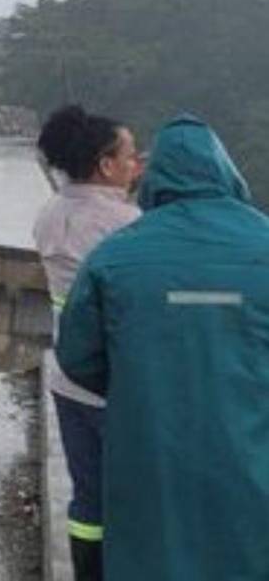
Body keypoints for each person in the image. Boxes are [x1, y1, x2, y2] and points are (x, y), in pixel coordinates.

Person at [57, 115, 269, 581]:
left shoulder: (116, 255)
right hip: (250, 450)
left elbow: (76, 356)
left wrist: (136, 381)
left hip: (148, 448)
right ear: (226, 170)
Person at [33, 104, 141, 581]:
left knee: (87, 497)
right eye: (131, 155)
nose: (137, 165)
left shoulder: (51, 213)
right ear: (105, 165)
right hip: (112, 384)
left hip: (67, 380)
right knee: (130, 496)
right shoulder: (126, 226)